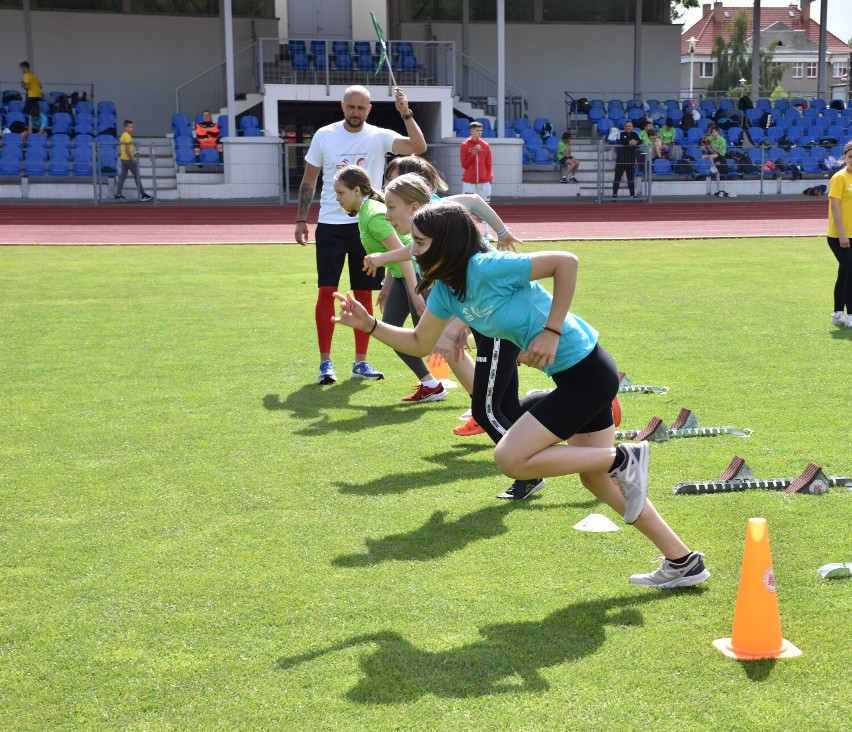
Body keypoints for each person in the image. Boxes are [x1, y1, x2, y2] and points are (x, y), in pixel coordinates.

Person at [333, 200, 710, 588]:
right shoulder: (446, 289)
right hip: (573, 377)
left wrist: (552, 330)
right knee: (596, 480)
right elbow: (417, 341)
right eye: (414, 241)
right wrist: (371, 324)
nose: (413, 250)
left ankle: (622, 456)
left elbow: (566, 261)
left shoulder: (488, 266)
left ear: (447, 242)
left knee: (511, 458)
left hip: (588, 371)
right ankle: (682, 561)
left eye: (421, 242)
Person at [365, 173, 548, 499]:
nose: (387, 214)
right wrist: (383, 259)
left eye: (391, 206)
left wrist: (457, 327)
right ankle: (558, 439)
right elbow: (418, 255)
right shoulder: (429, 237)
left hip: (497, 326)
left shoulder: (445, 228)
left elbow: (476, 284)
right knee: (505, 405)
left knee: (486, 410)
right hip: (492, 323)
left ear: (415, 207)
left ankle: (530, 469)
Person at [294, 85, 426, 386]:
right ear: (342, 106)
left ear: (369, 109)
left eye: (361, 108)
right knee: (326, 292)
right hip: (329, 225)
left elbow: (418, 147)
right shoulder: (324, 135)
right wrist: (302, 218)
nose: (356, 112)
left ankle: (361, 362)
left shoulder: (379, 136)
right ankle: (325, 363)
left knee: (363, 292)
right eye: (351, 107)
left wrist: (405, 113)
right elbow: (309, 180)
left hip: (366, 226)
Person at [333, 164, 446, 402]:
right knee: (392, 329)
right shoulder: (368, 213)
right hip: (402, 278)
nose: (338, 199)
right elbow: (395, 256)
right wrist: (386, 289)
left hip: (416, 276)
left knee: (434, 339)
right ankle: (431, 384)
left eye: (340, 193)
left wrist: (416, 296)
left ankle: (480, 381)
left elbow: (405, 254)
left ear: (356, 191)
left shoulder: (373, 215)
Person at [827, 140, 852, 328]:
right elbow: (835, 207)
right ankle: (850, 315)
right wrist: (842, 234)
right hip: (839, 236)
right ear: (844, 158)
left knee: (844, 273)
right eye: (850, 157)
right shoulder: (839, 178)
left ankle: (837, 313)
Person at [459, 121, 493, 237]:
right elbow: (464, 165)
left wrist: (489, 179)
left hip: (484, 182)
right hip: (469, 182)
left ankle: (486, 233)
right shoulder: (464, 145)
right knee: (467, 208)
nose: (480, 133)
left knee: (485, 208)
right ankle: (467, 233)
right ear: (472, 131)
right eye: (477, 130)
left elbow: (489, 164)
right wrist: (473, 153)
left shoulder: (485, 145)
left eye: (481, 130)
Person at [115, 120, 153, 202]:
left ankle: (118, 194)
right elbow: (127, 148)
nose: (132, 128)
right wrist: (132, 159)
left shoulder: (123, 135)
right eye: (130, 127)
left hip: (124, 159)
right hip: (128, 160)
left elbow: (125, 148)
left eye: (132, 126)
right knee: (137, 177)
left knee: (122, 177)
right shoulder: (127, 136)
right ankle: (143, 194)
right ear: (125, 127)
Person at [612, 121, 641, 200]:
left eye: (630, 126)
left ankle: (632, 194)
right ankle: (614, 194)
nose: (628, 127)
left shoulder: (635, 133)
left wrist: (636, 142)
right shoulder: (620, 133)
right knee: (617, 178)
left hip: (630, 160)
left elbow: (640, 141)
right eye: (627, 126)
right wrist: (629, 142)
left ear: (632, 127)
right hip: (620, 160)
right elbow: (619, 141)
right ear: (624, 127)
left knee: (630, 178)